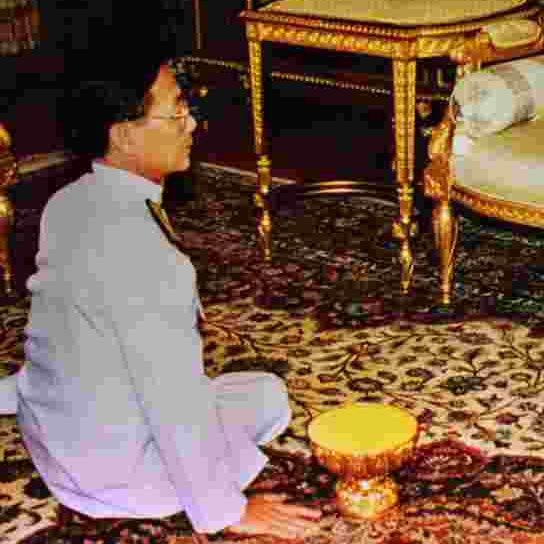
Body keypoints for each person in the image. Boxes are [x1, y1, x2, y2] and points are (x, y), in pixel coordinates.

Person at [0, 60, 321, 537]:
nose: (191, 123)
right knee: (269, 401)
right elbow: (173, 399)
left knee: (258, 392)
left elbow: (57, 339)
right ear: (123, 134)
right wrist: (227, 511)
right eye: (176, 113)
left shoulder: (67, 203)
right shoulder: (146, 257)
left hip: (54, 439)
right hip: (113, 478)